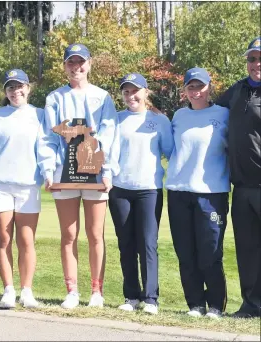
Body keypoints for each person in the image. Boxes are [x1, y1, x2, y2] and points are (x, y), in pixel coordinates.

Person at [37, 43, 116, 309]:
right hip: (64, 173)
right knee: (68, 235)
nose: (76, 67)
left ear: (89, 64)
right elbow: (48, 137)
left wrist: (107, 171)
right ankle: (72, 291)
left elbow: (109, 135)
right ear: (65, 66)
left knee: (96, 235)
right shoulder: (54, 97)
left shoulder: (103, 97)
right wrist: (48, 170)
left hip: (94, 173)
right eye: (71, 62)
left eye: (81, 62)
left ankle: (97, 291)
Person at [166, 67, 230, 319]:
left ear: (209, 87)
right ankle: (195, 304)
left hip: (211, 193)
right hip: (179, 191)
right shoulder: (179, 116)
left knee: (210, 252)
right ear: (185, 91)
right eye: (191, 87)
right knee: (186, 252)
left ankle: (215, 304)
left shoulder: (223, 115)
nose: (196, 91)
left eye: (200, 86)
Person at [107, 73, 173, 315]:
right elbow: (110, 154)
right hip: (120, 189)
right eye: (126, 92)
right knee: (126, 244)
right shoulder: (116, 119)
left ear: (146, 92)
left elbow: (169, 152)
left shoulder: (160, 120)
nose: (131, 96)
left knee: (147, 243)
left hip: (149, 190)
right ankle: (131, 295)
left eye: (135, 91)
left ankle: (151, 298)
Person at [0, 69, 44, 309]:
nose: (15, 91)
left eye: (20, 87)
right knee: (4, 239)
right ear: (5, 91)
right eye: (10, 87)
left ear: (28, 88)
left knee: (26, 240)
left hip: (28, 185)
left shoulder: (40, 115)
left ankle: (26, 291)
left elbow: (47, 148)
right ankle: (8, 289)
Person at [216, 37, 261, 319]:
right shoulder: (237, 90)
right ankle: (251, 304)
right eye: (252, 59)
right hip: (242, 186)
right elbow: (208, 112)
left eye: (260, 59)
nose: (256, 64)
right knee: (247, 249)